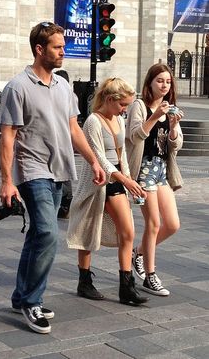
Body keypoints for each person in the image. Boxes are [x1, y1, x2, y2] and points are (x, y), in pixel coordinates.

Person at [0, 22, 106, 334]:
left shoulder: (63, 87)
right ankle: (32, 300)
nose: (63, 52)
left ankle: (20, 295)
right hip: (32, 170)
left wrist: (94, 161)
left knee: (37, 236)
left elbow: (74, 129)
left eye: (63, 46)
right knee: (46, 233)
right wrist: (6, 181)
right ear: (39, 49)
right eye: (57, 47)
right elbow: (7, 138)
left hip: (60, 169)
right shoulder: (18, 87)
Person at [67, 78, 149, 306]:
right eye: (123, 105)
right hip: (97, 182)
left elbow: (121, 154)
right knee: (87, 231)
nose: (125, 110)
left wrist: (129, 179)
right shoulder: (93, 121)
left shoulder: (119, 120)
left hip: (116, 182)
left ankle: (126, 286)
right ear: (110, 99)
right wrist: (124, 179)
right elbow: (98, 157)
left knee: (128, 232)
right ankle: (84, 281)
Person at [125, 63, 184, 297]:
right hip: (143, 170)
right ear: (150, 82)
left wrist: (173, 126)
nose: (164, 85)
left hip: (161, 170)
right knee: (153, 224)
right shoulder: (139, 106)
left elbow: (176, 146)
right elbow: (134, 136)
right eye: (160, 80)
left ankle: (138, 253)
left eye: (168, 82)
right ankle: (150, 276)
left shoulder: (169, 109)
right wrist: (155, 116)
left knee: (172, 224)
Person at [55, 69, 73, 219]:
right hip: (63, 144)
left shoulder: (69, 96)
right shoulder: (70, 96)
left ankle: (65, 203)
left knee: (63, 176)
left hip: (63, 143)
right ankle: (65, 203)